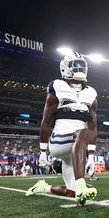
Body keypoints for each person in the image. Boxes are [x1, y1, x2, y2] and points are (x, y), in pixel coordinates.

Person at [26, 51, 98, 205]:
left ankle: (43, 187)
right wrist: (43, 152)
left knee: (72, 194)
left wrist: (91, 156)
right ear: (65, 68)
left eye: (82, 67)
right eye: (76, 67)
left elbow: (93, 126)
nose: (80, 70)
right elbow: (45, 122)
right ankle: (81, 185)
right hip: (59, 140)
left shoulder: (91, 93)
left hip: (76, 148)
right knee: (81, 133)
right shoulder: (57, 86)